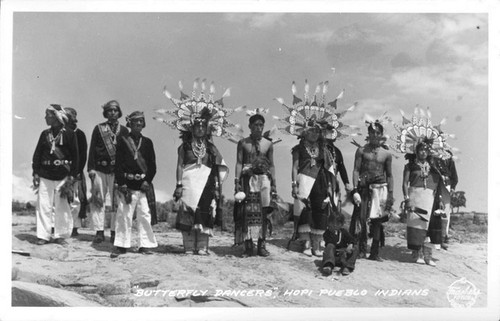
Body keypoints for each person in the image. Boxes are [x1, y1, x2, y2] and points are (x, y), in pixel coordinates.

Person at [111, 111, 157, 258]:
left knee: (144, 215)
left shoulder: (148, 143)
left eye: (141, 121)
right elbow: (117, 165)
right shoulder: (122, 141)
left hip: (142, 186)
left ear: (144, 124)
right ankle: (121, 245)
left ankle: (145, 245)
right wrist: (122, 183)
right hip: (127, 186)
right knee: (124, 215)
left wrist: (147, 181)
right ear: (129, 123)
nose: (138, 124)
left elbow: (152, 166)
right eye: (135, 121)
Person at [32, 104, 79, 245]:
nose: (45, 117)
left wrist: (72, 176)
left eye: (48, 114)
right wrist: (35, 172)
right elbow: (37, 154)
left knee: (62, 206)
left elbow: (76, 157)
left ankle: (61, 235)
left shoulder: (70, 134)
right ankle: (43, 235)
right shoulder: (45, 134)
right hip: (45, 174)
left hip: (63, 175)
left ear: (56, 116)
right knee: (43, 205)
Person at [349, 120, 394, 261]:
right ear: (368, 133)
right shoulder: (361, 150)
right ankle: (361, 249)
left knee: (377, 221)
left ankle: (374, 252)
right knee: (361, 218)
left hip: (380, 188)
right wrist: (355, 189)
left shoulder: (386, 154)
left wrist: (390, 195)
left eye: (378, 133)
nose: (375, 135)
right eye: (372, 132)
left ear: (381, 135)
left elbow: (390, 175)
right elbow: (356, 170)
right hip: (364, 188)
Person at [234, 112, 276, 257]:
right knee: (248, 212)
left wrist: (274, 184)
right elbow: (239, 163)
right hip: (248, 180)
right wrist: (237, 181)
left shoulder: (268, 144)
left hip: (264, 180)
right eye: (256, 125)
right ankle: (248, 246)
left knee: (264, 213)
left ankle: (262, 245)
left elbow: (272, 165)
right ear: (250, 126)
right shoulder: (243, 143)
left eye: (261, 125)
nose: (259, 128)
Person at [291, 124, 336, 257]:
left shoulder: (323, 149)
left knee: (320, 212)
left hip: (319, 183)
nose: (315, 134)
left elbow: (329, 169)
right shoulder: (298, 149)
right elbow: (294, 167)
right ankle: (306, 243)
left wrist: (329, 187)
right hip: (303, 182)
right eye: (311, 131)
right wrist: (294, 184)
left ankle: (316, 245)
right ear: (305, 132)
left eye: (317, 131)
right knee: (305, 211)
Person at [88, 100, 128, 244]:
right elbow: (92, 149)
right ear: (106, 113)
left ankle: (114, 232)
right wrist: (90, 168)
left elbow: (127, 153)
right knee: (98, 201)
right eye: (110, 110)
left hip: (117, 171)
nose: (112, 113)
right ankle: (99, 232)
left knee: (117, 202)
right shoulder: (98, 128)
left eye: (115, 110)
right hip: (99, 169)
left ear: (119, 113)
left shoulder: (124, 131)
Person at [402, 142, 442, 266]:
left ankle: (428, 256)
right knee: (416, 226)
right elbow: (404, 183)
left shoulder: (434, 167)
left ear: (429, 152)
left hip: (429, 199)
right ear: (416, 151)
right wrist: (407, 199)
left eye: (426, 150)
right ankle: (416, 254)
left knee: (429, 227)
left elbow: (439, 184)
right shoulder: (410, 166)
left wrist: (439, 200)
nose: (423, 152)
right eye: (420, 150)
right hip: (415, 197)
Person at [65, 107, 88, 237]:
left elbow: (83, 155)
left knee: (76, 200)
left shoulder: (80, 134)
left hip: (76, 171)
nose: (68, 118)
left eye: (70, 115)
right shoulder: (60, 133)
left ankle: (74, 227)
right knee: (60, 199)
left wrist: (77, 171)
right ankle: (56, 226)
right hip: (61, 171)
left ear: (74, 117)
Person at [434, 152, 458, 249]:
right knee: (433, 210)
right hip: (433, 184)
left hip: (446, 186)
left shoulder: (448, 156)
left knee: (445, 211)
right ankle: (431, 237)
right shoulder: (432, 155)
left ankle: (443, 238)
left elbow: (454, 176)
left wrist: (452, 187)